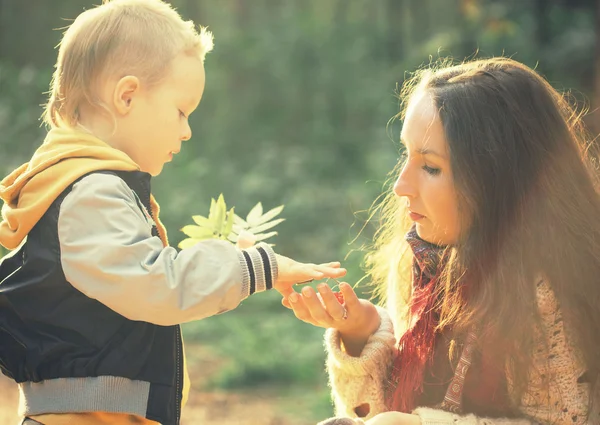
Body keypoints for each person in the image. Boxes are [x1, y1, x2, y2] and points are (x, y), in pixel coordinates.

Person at [0, 1, 346, 424]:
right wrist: (254, 267)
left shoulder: (82, 187)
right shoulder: (91, 194)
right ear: (126, 95)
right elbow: (158, 286)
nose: (186, 130)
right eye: (181, 111)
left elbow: (142, 279)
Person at [285, 57, 600, 425]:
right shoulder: (420, 261)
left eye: (430, 167)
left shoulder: (549, 288)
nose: (400, 186)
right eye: (406, 154)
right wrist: (361, 334)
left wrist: (419, 423)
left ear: (497, 181)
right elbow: (378, 412)